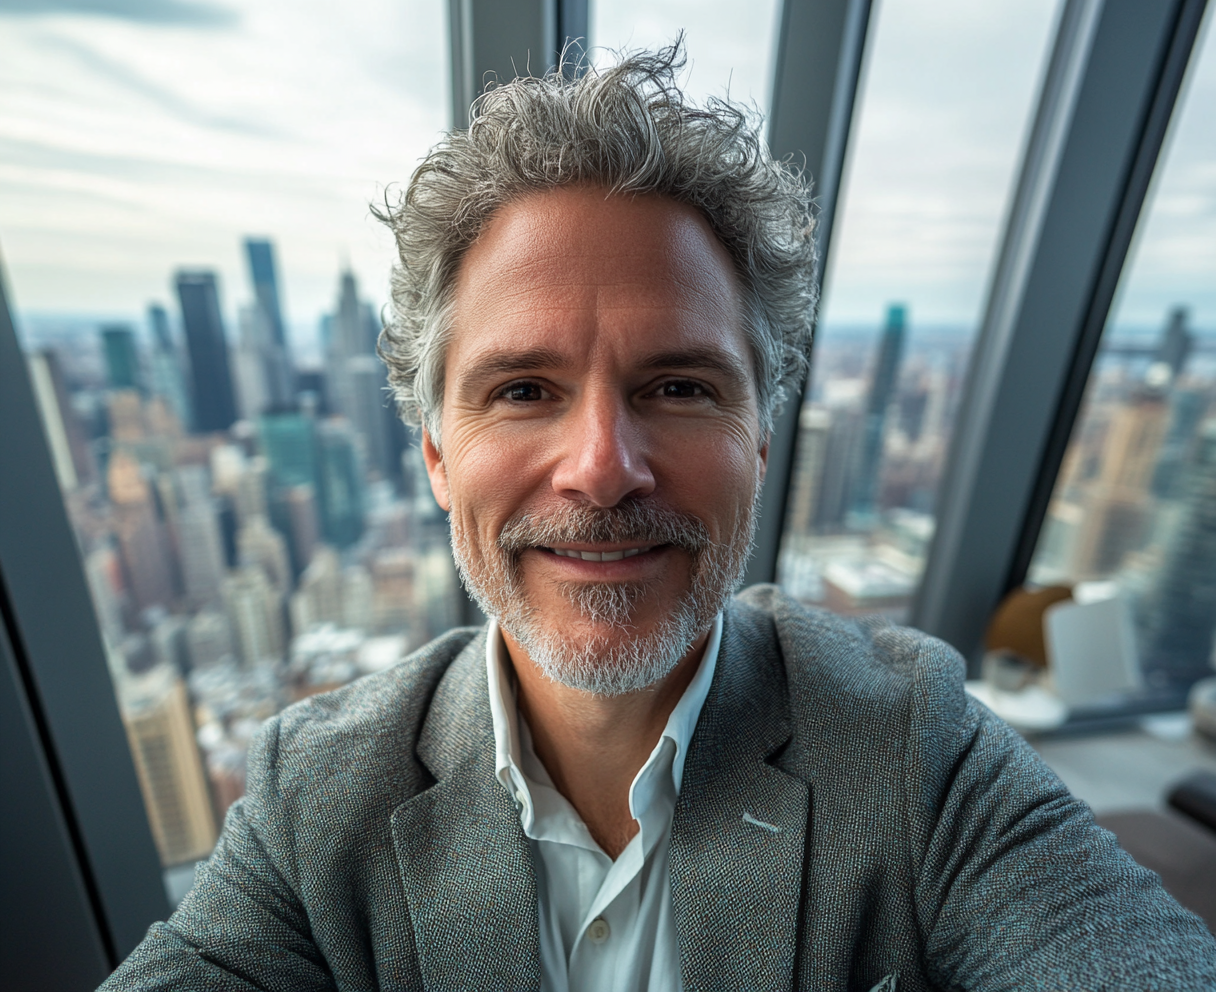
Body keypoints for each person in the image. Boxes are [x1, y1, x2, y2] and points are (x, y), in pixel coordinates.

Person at [102, 45, 1215, 992]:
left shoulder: (909, 743)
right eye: (523, 390)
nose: (600, 469)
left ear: (762, 443)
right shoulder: (316, 791)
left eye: (680, 386)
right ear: (438, 454)